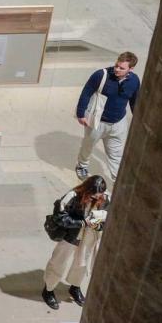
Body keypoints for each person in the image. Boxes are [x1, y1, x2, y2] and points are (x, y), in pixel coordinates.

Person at [42, 175, 108, 309]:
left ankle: (75, 287)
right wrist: (82, 222)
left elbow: (107, 216)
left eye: (97, 196)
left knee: (82, 263)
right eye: (92, 195)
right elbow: (59, 217)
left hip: (89, 235)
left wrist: (98, 225)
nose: (95, 198)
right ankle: (48, 290)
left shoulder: (105, 197)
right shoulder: (72, 196)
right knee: (58, 262)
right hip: (71, 235)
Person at [75, 52, 140, 181]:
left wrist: (137, 118)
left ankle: (118, 179)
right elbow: (86, 93)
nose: (117, 69)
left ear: (131, 69)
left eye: (122, 68)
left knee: (116, 154)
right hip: (97, 122)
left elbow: (135, 100)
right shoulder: (101, 75)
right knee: (88, 145)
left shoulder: (134, 80)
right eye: (116, 65)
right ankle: (82, 165)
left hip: (118, 123)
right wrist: (80, 114)